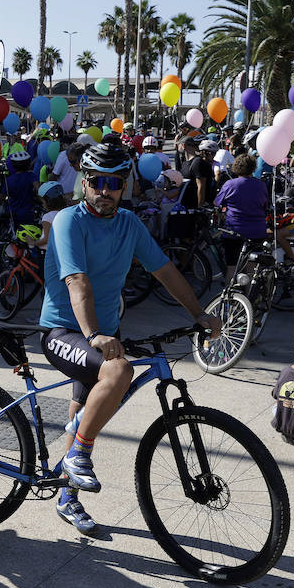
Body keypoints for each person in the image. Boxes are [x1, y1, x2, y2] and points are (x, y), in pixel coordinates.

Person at [38, 141, 220, 535]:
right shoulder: (69, 221)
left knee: (85, 412)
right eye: (98, 182)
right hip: (65, 331)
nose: (106, 191)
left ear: (126, 186)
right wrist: (95, 335)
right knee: (117, 373)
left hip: (103, 335)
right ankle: (78, 456)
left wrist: (199, 313)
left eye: (115, 183)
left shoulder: (129, 224)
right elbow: (78, 283)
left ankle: (67, 495)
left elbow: (166, 272)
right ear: (84, 183)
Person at [214, 153, 270, 277]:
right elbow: (265, 206)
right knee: (252, 268)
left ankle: (230, 294)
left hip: (234, 231)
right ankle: (251, 294)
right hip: (257, 231)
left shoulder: (230, 184)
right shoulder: (261, 185)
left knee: (232, 267)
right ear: (253, 168)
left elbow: (217, 202)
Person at [177, 138, 215, 213]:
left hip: (194, 208)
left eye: (178, 145)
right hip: (186, 207)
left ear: (183, 146)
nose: (177, 147)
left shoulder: (197, 162)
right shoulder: (185, 163)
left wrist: (200, 208)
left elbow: (201, 186)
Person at [34, 181, 67, 249]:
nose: (43, 204)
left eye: (42, 201)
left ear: (48, 201)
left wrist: (32, 244)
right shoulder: (68, 211)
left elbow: (46, 239)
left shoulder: (48, 217)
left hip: (48, 252)